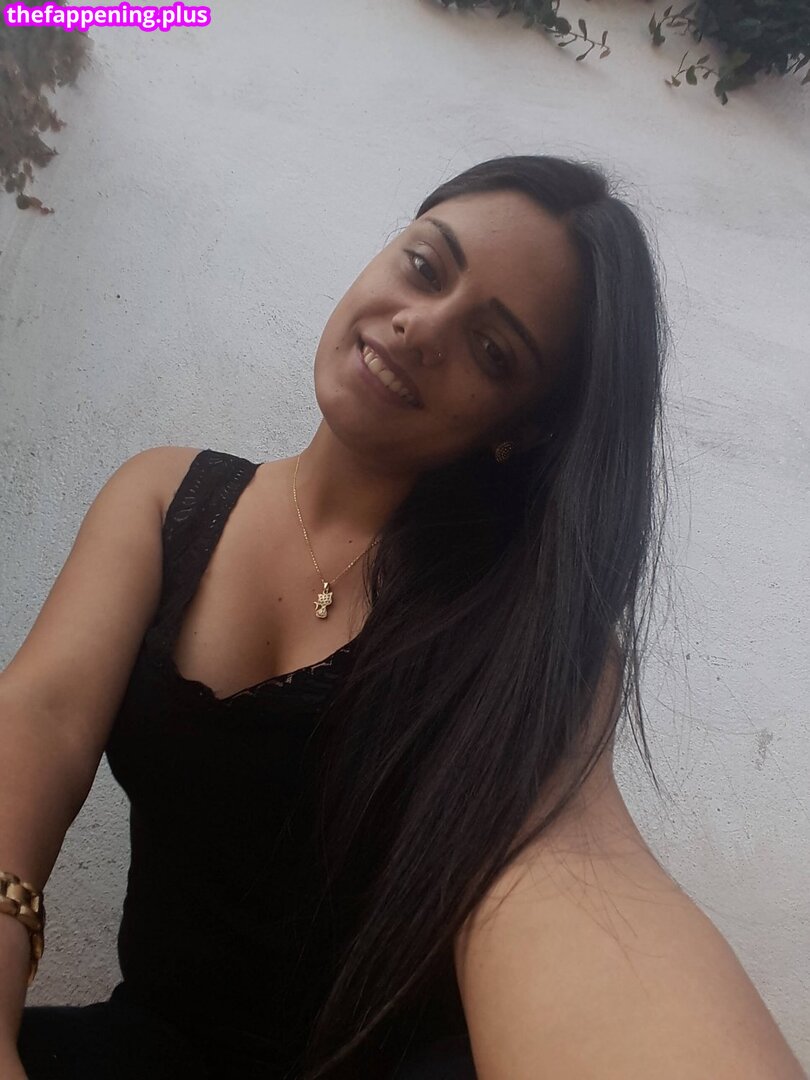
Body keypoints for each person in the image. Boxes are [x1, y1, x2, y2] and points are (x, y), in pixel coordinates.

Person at [0, 155, 804, 1080]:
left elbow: (567, 866)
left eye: (492, 350)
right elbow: (41, 719)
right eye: (424, 266)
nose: (421, 327)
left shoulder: (528, 637)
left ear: (520, 428)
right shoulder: (165, 501)